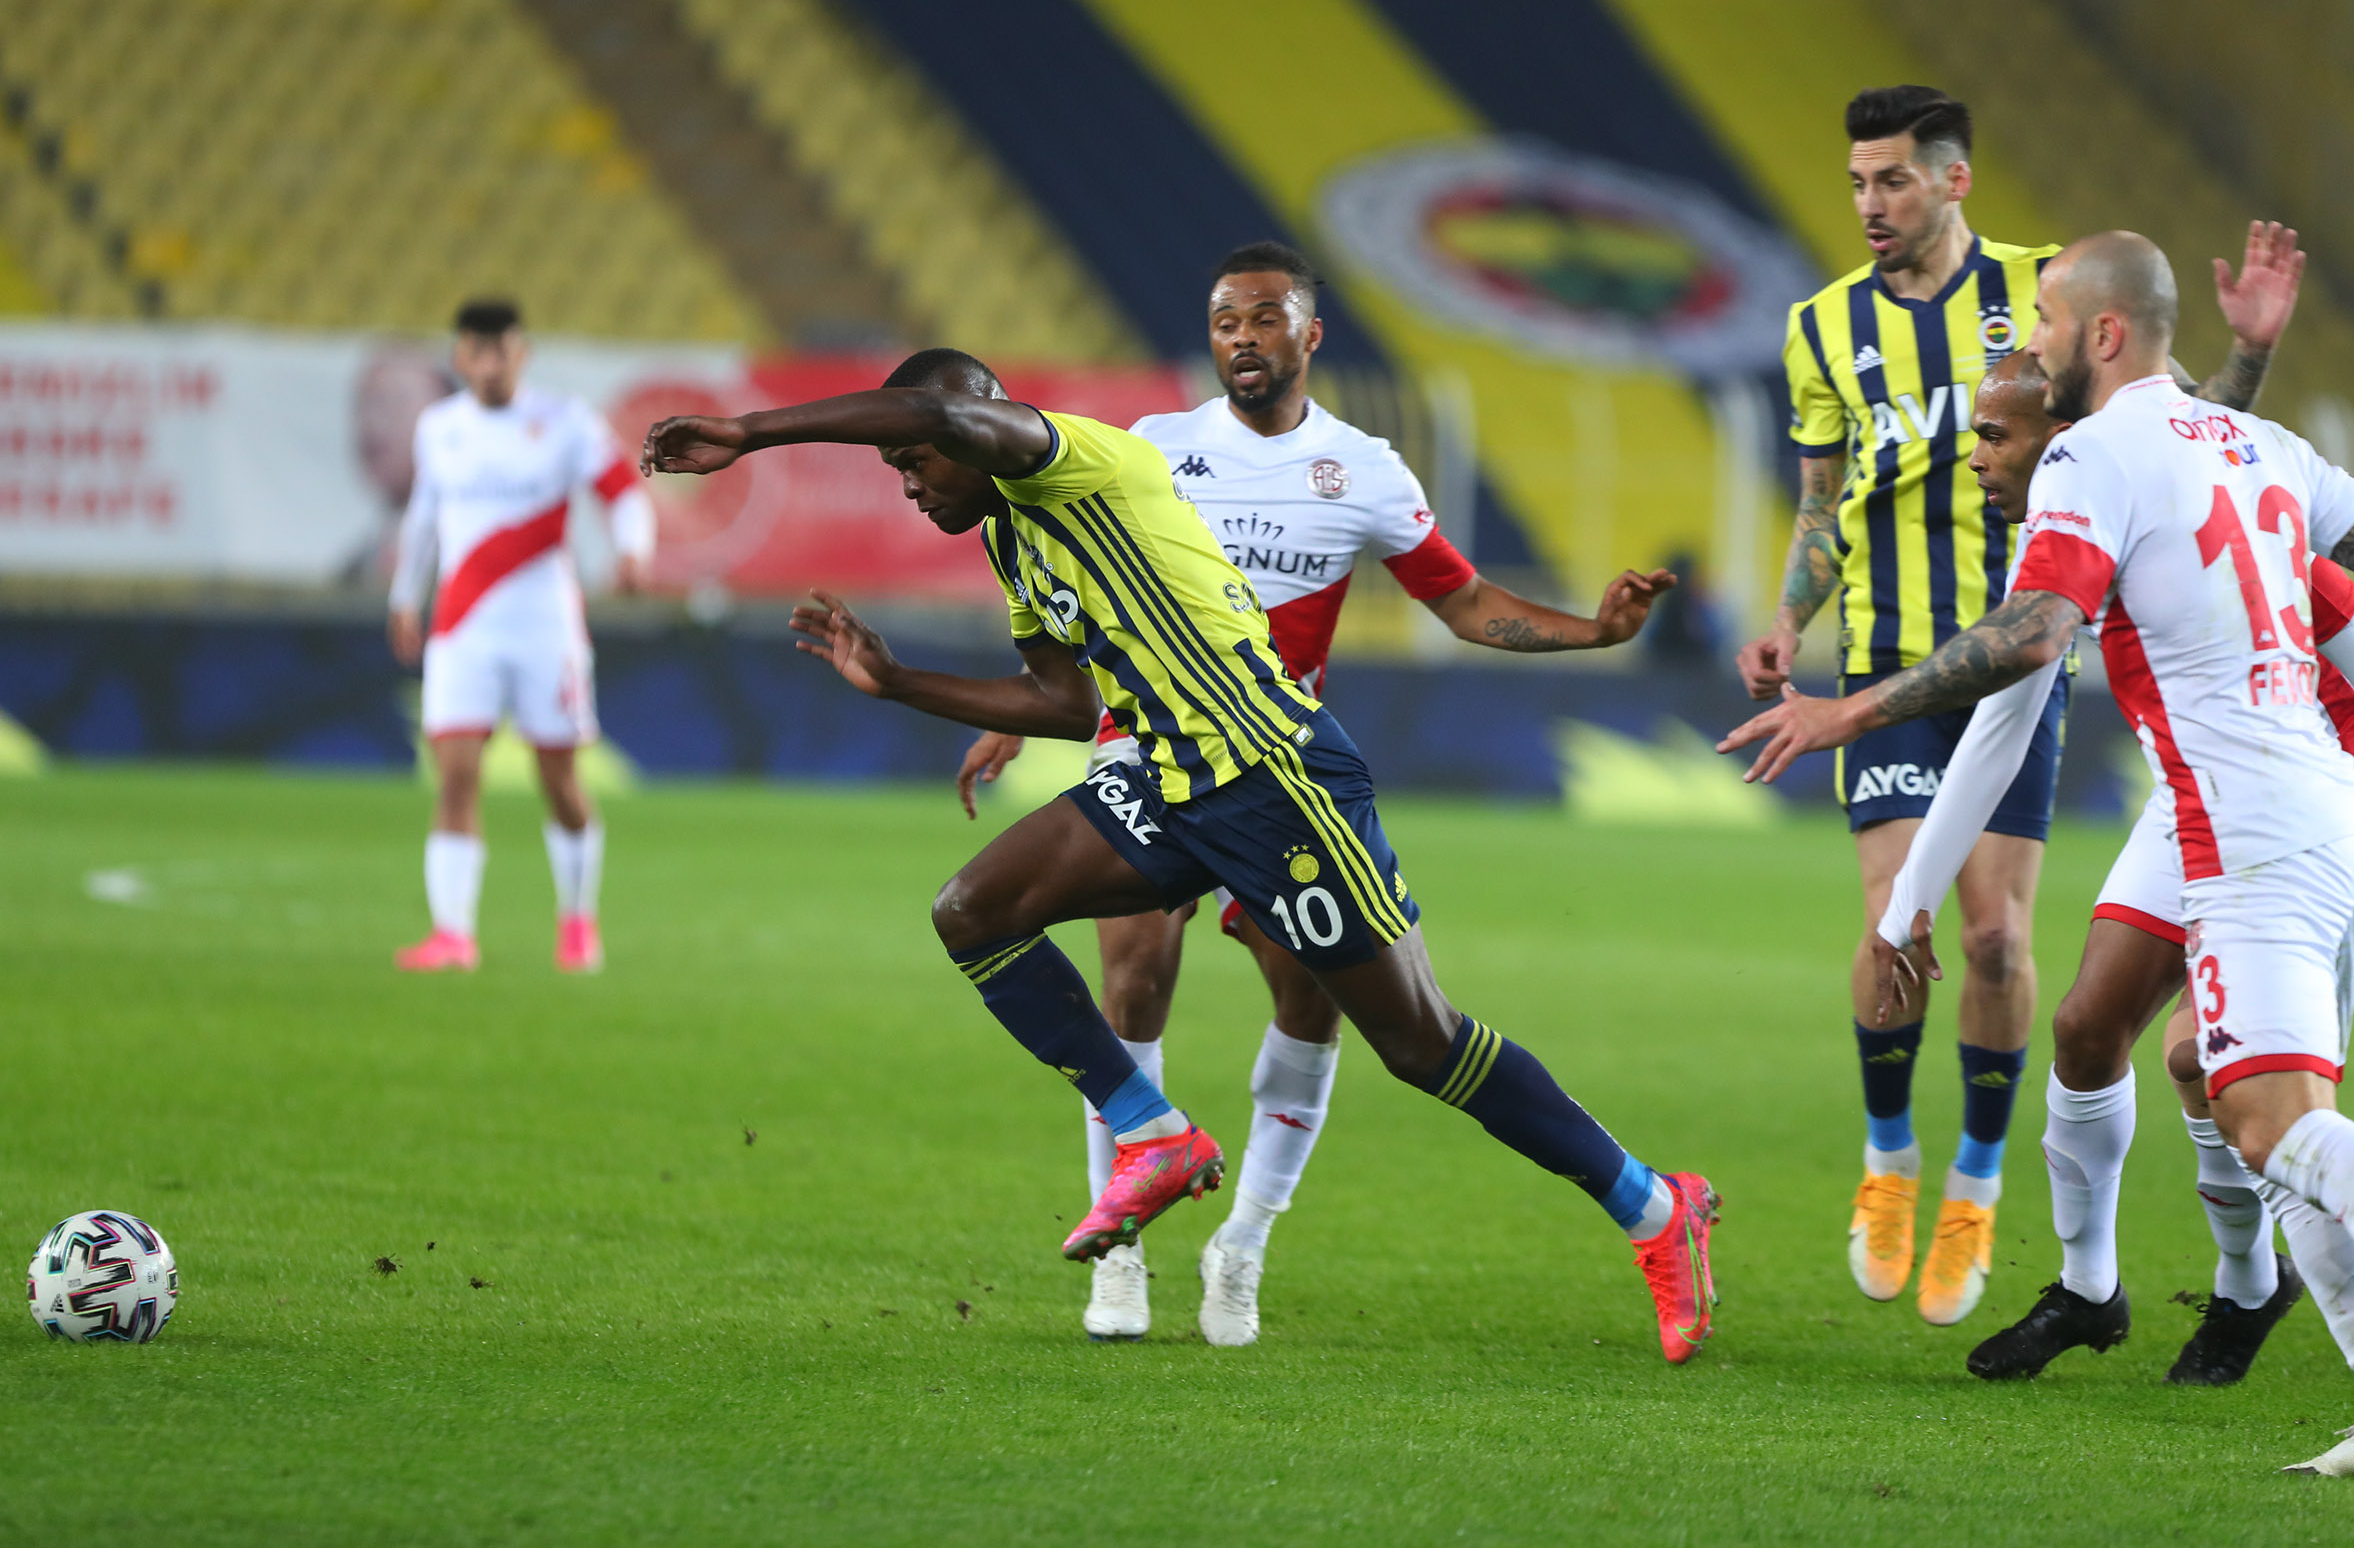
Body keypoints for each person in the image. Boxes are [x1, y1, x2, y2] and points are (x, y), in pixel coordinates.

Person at [641, 349, 1722, 1362]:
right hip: (1166, 778)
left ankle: (1653, 1204)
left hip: (1275, 777)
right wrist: (899, 682)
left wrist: (750, 430)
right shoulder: (1010, 539)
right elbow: (1066, 701)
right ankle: (1151, 1131)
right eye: (895, 468)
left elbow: (935, 408)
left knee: (1420, 1043)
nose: (909, 481)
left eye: (916, 458)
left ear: (975, 427)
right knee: (974, 909)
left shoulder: (1077, 458)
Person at [1723, 231, 2354, 1506]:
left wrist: (1845, 712)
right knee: (2243, 1108)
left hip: (2251, 833)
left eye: (2039, 317)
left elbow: (2033, 637)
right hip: (2291, 811)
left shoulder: (2087, 459)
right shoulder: (2256, 443)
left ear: (2100, 333)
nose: (2025, 339)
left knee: (2276, 1122)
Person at [956, 241, 1672, 1345]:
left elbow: (1463, 601)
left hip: (1275, 775)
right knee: (1132, 972)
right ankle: (1124, 1248)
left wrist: (1594, 631)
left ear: (1309, 334)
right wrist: (1020, 711)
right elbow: (1074, 594)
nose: (1241, 337)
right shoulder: (1156, 446)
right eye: (1224, 320)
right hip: (1143, 749)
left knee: (1315, 1001)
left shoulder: (1364, 469)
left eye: (1263, 317)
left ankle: (1243, 1243)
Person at [1738, 82, 2302, 1326]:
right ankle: (1889, 1154)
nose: (1870, 202)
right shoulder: (1820, 328)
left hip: (2024, 661)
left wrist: (2252, 352)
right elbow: (1823, 504)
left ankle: (1977, 1180)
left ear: (1953, 180)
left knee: (1995, 938)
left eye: (1892, 178)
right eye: (1856, 181)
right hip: (1891, 660)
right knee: (1894, 914)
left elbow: (2184, 431)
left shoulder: (2048, 293)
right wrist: (1787, 618)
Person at [388, 299, 653, 973]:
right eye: (477, 351)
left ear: (522, 354)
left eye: (501, 351)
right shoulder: (439, 428)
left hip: (545, 629)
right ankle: (453, 934)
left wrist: (632, 552)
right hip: (462, 626)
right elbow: (423, 516)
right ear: (460, 357)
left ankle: (577, 920)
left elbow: (623, 491)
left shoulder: (565, 421)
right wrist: (403, 598)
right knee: (455, 774)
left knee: (559, 779)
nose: (490, 364)